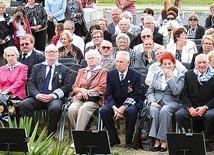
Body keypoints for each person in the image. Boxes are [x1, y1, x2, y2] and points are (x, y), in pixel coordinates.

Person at [19, 44, 70, 136]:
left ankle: (50, 134)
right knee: (24, 104)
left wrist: (53, 96)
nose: (51, 53)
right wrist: (38, 95)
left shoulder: (64, 69)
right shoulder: (37, 67)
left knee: (56, 108)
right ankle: (33, 134)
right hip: (38, 96)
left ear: (58, 54)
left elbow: (66, 87)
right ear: (45, 54)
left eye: (53, 51)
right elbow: (31, 84)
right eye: (48, 52)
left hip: (54, 98)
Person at [100, 51, 143, 148]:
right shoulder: (111, 74)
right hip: (115, 102)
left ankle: (128, 141)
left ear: (128, 63)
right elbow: (108, 93)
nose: (118, 64)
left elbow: (136, 94)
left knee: (131, 112)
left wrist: (124, 106)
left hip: (131, 103)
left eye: (121, 62)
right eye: (117, 61)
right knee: (104, 111)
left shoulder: (136, 75)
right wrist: (114, 107)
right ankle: (114, 138)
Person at [146, 52, 184, 152]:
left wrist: (170, 78)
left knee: (164, 110)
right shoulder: (157, 74)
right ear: (161, 65)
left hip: (172, 101)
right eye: (164, 64)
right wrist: (152, 101)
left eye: (169, 63)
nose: (167, 66)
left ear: (174, 63)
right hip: (157, 100)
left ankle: (163, 140)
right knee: (154, 109)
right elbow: (150, 91)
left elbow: (177, 92)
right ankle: (156, 139)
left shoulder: (180, 76)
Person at [175, 54, 214, 152]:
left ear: (208, 63)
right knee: (179, 114)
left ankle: (207, 141)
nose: (201, 65)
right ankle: (188, 140)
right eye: (199, 63)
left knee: (211, 115)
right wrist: (190, 108)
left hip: (209, 106)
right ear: (195, 64)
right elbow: (184, 94)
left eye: (204, 62)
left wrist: (205, 107)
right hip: (192, 106)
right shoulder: (189, 74)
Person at [68, 49, 108, 131]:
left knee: (84, 108)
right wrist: (82, 90)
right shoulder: (81, 71)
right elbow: (75, 87)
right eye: (89, 58)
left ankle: (78, 138)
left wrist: (87, 92)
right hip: (80, 98)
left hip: (95, 99)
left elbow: (102, 87)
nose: (91, 60)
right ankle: (82, 132)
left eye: (93, 58)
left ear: (98, 59)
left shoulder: (103, 72)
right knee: (72, 109)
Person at [0, 1, 14, 66]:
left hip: (7, 40)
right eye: (0, 7)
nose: (1, 9)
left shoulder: (7, 17)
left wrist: (6, 39)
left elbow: (11, 30)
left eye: (3, 7)